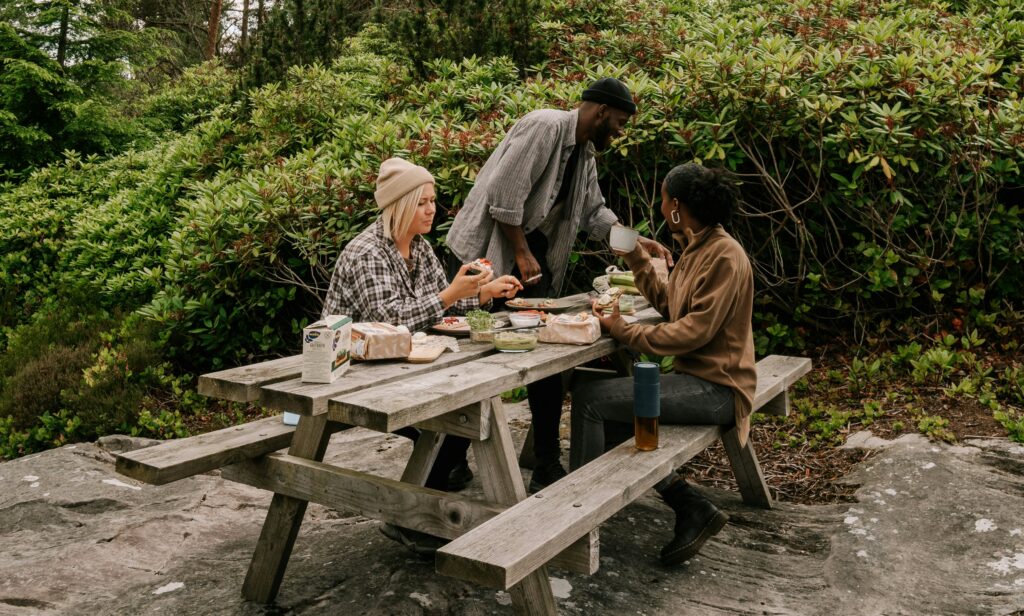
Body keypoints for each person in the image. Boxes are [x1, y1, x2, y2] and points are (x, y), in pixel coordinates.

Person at [446, 77, 674, 492]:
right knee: (478, 357)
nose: (620, 132)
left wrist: (636, 242)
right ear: (601, 112)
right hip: (486, 256)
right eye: (620, 122)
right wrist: (520, 252)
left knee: (546, 349)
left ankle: (547, 462)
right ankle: (449, 461)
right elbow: (504, 195)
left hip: (530, 254)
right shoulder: (545, 126)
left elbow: (595, 214)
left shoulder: (584, 154)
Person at [322, 157, 522, 554]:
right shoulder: (367, 252)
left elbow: (440, 309)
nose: (432, 209)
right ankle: (411, 519)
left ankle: (428, 500)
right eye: (422, 202)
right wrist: (452, 293)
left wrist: (484, 293)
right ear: (399, 205)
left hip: (403, 366)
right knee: (455, 419)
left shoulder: (421, 248)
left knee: (469, 407)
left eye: (433, 201)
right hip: (354, 373)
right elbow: (389, 319)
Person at [570, 162, 757, 566]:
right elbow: (673, 307)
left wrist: (622, 330)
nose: (660, 206)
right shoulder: (699, 246)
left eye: (663, 198)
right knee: (609, 398)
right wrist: (636, 256)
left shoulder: (724, 255)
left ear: (678, 207)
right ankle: (690, 506)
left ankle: (575, 523)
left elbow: (692, 333)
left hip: (719, 389)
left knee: (589, 399)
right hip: (699, 380)